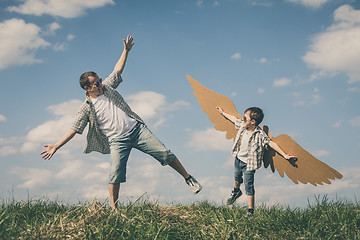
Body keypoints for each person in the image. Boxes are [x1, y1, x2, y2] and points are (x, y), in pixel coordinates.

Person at [41, 35, 202, 209]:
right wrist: (56, 145)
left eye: (100, 80)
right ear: (87, 88)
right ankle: (114, 209)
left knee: (164, 153)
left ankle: (188, 178)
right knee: (115, 173)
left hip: (137, 130)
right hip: (117, 140)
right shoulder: (86, 107)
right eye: (96, 84)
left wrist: (125, 51)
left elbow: (117, 71)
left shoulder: (108, 88)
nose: (100, 84)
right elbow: (74, 128)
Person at [216, 106, 296, 216]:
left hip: (250, 164)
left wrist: (285, 155)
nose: (242, 120)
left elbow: (271, 144)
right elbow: (234, 119)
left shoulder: (260, 134)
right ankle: (236, 191)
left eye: (245, 118)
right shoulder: (243, 126)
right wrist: (223, 113)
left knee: (249, 185)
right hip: (238, 158)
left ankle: (250, 211)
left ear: (253, 122)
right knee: (237, 177)